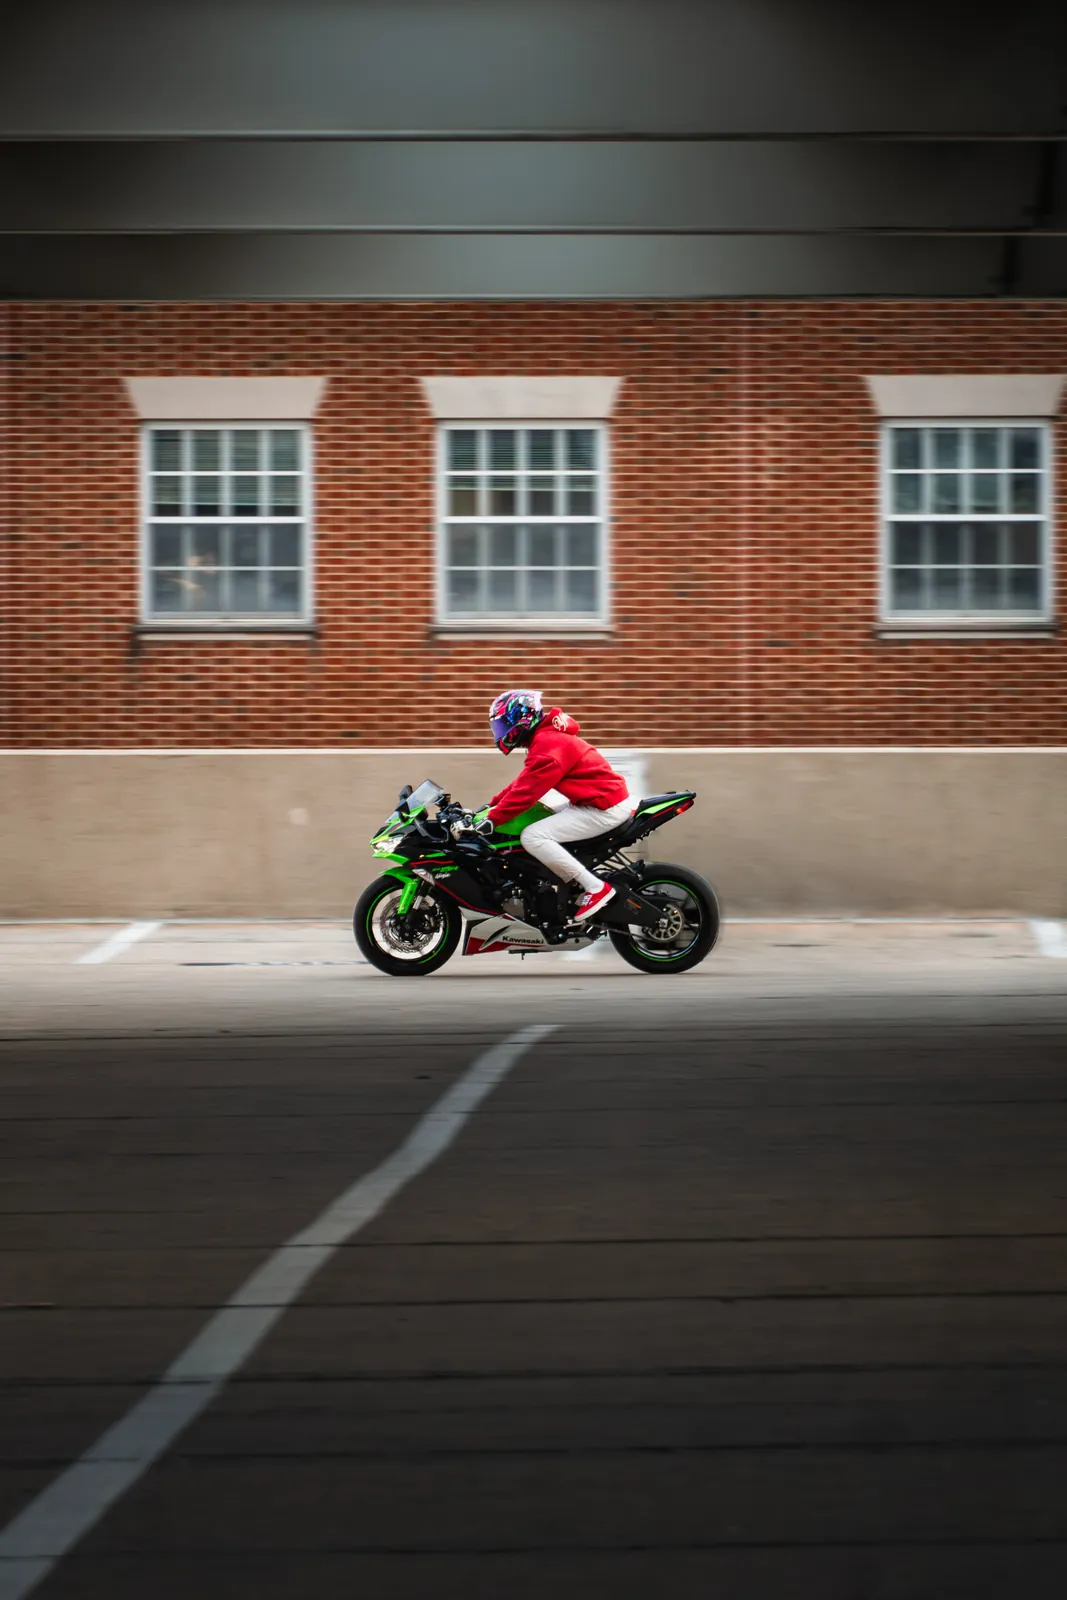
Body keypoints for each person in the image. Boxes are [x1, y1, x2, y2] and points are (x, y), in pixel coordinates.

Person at [484, 688, 633, 922]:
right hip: (595, 802)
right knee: (539, 819)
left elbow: (527, 792)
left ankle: (595, 888)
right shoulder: (546, 739)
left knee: (533, 836)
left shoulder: (548, 743)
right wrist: (491, 806)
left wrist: (492, 819)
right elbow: (524, 782)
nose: (501, 732)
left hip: (603, 808)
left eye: (504, 725)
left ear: (521, 718)